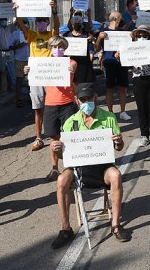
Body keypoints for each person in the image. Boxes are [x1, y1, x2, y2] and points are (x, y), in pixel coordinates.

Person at [50, 83, 131, 248]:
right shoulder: (70, 122)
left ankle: (115, 225)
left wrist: (119, 142)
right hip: (78, 168)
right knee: (61, 181)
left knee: (116, 175)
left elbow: (118, 147)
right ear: (77, 101)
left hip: (102, 167)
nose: (87, 102)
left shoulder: (108, 117)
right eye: (83, 99)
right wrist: (56, 149)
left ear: (95, 97)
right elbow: (63, 154)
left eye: (90, 98)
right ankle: (66, 229)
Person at [26, 36, 77, 181]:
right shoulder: (43, 64)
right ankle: (54, 168)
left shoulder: (71, 62)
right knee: (53, 137)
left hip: (67, 103)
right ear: (50, 49)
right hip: (50, 104)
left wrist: (71, 69)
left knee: (69, 136)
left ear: (65, 48)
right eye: (54, 47)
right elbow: (34, 74)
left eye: (60, 47)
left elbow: (73, 68)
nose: (57, 50)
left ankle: (71, 167)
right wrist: (29, 70)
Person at [15, 0, 59, 150]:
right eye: (39, 20)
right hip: (36, 75)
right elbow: (20, 24)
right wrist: (17, 11)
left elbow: (57, 26)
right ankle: (39, 138)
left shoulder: (52, 35)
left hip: (50, 74)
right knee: (37, 107)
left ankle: (56, 134)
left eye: (43, 21)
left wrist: (54, 11)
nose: (41, 23)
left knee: (54, 105)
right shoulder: (31, 35)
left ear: (47, 22)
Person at [130, 25, 150, 147]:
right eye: (139, 35)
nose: (141, 37)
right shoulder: (131, 49)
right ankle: (144, 135)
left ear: (148, 37)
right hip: (138, 78)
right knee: (141, 107)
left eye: (144, 35)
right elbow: (125, 63)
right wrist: (119, 56)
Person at [96, 12, 131, 121]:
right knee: (109, 89)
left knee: (123, 88)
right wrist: (99, 38)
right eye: (120, 17)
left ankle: (123, 111)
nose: (122, 19)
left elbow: (128, 47)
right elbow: (97, 48)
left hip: (121, 63)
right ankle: (110, 112)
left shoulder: (123, 32)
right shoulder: (104, 32)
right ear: (115, 19)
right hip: (109, 63)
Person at [63, 10, 96, 85]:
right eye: (75, 24)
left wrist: (93, 40)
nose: (77, 25)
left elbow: (96, 46)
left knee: (85, 89)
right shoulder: (67, 35)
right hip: (71, 64)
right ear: (72, 24)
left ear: (81, 24)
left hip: (85, 65)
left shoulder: (86, 34)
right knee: (73, 86)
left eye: (79, 24)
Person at [10, 20, 30, 107]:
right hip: (19, 59)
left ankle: (31, 98)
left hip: (30, 59)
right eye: (23, 23)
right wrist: (18, 45)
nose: (25, 25)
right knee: (19, 80)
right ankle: (18, 98)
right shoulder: (15, 33)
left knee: (31, 81)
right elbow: (10, 46)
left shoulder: (31, 33)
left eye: (26, 23)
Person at [0, 17, 15, 94]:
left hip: (10, 52)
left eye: (5, 20)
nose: (3, 21)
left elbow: (16, 22)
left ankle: (10, 86)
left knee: (10, 70)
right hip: (0, 52)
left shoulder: (10, 27)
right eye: (2, 20)